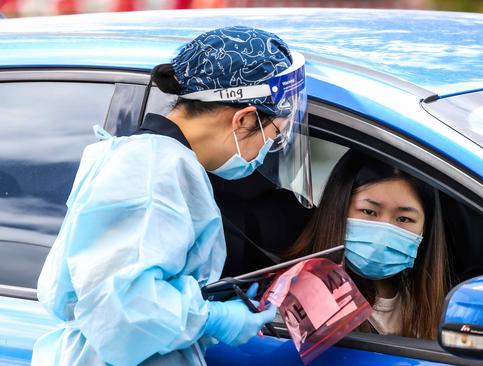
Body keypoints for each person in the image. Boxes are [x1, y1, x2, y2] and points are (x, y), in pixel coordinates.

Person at [32, 26, 311, 365]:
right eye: (273, 135)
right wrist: (212, 318)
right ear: (243, 119)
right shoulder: (152, 171)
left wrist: (204, 304)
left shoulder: (160, 161)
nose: (268, 150)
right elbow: (124, 310)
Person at [286, 151, 450, 339]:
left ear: (425, 229)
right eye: (369, 212)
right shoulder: (298, 293)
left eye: (404, 218)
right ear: (338, 208)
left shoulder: (428, 300)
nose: (382, 235)